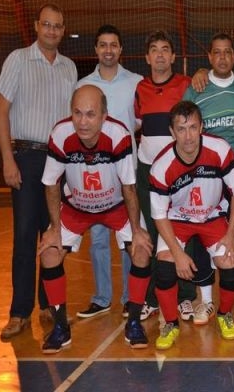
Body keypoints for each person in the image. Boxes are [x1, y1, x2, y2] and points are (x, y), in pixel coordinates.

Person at [37, 85, 152, 353]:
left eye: (90, 114)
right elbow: (51, 183)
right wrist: (54, 229)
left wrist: (136, 230)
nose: (83, 121)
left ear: (104, 115)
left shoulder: (119, 135)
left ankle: (134, 322)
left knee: (142, 251)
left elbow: (128, 186)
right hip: (76, 207)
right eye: (77, 113)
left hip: (115, 206)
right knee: (49, 253)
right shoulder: (61, 134)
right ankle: (59, 327)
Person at [0, 3, 77, 340]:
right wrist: (8, 159)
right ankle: (18, 312)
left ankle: (49, 304)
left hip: (59, 162)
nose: (53, 31)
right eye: (47, 24)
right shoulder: (17, 59)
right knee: (25, 237)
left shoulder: (69, 67)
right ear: (36, 26)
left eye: (58, 26)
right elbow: (1, 111)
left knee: (53, 235)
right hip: (26, 158)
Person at [184, 32, 234, 324]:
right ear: (209, 57)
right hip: (205, 169)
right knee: (202, 226)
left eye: (227, 52)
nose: (221, 57)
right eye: (216, 52)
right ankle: (205, 300)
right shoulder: (197, 88)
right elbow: (184, 129)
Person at [149, 101, 234, 347]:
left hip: (212, 215)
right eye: (181, 129)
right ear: (172, 132)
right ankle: (170, 323)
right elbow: (159, 215)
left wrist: (231, 234)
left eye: (193, 127)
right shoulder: (161, 166)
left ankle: (224, 314)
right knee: (165, 266)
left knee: (231, 263)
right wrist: (179, 254)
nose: (188, 136)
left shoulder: (220, 149)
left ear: (202, 127)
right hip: (177, 219)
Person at [76, 25, 143, 319]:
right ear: (95, 49)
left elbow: (139, 122)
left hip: (127, 172)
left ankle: (131, 298)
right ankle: (102, 297)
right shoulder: (82, 85)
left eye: (113, 45)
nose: (108, 50)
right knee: (99, 239)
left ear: (120, 49)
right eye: (102, 45)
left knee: (129, 237)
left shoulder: (136, 82)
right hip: (95, 175)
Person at [134, 30, 198, 322]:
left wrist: (203, 72)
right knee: (150, 233)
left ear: (173, 57)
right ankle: (152, 298)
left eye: (165, 49)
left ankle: (185, 296)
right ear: (147, 57)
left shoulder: (187, 85)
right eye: (154, 50)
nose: (160, 54)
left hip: (179, 173)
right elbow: (138, 125)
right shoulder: (140, 89)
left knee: (182, 230)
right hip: (148, 172)